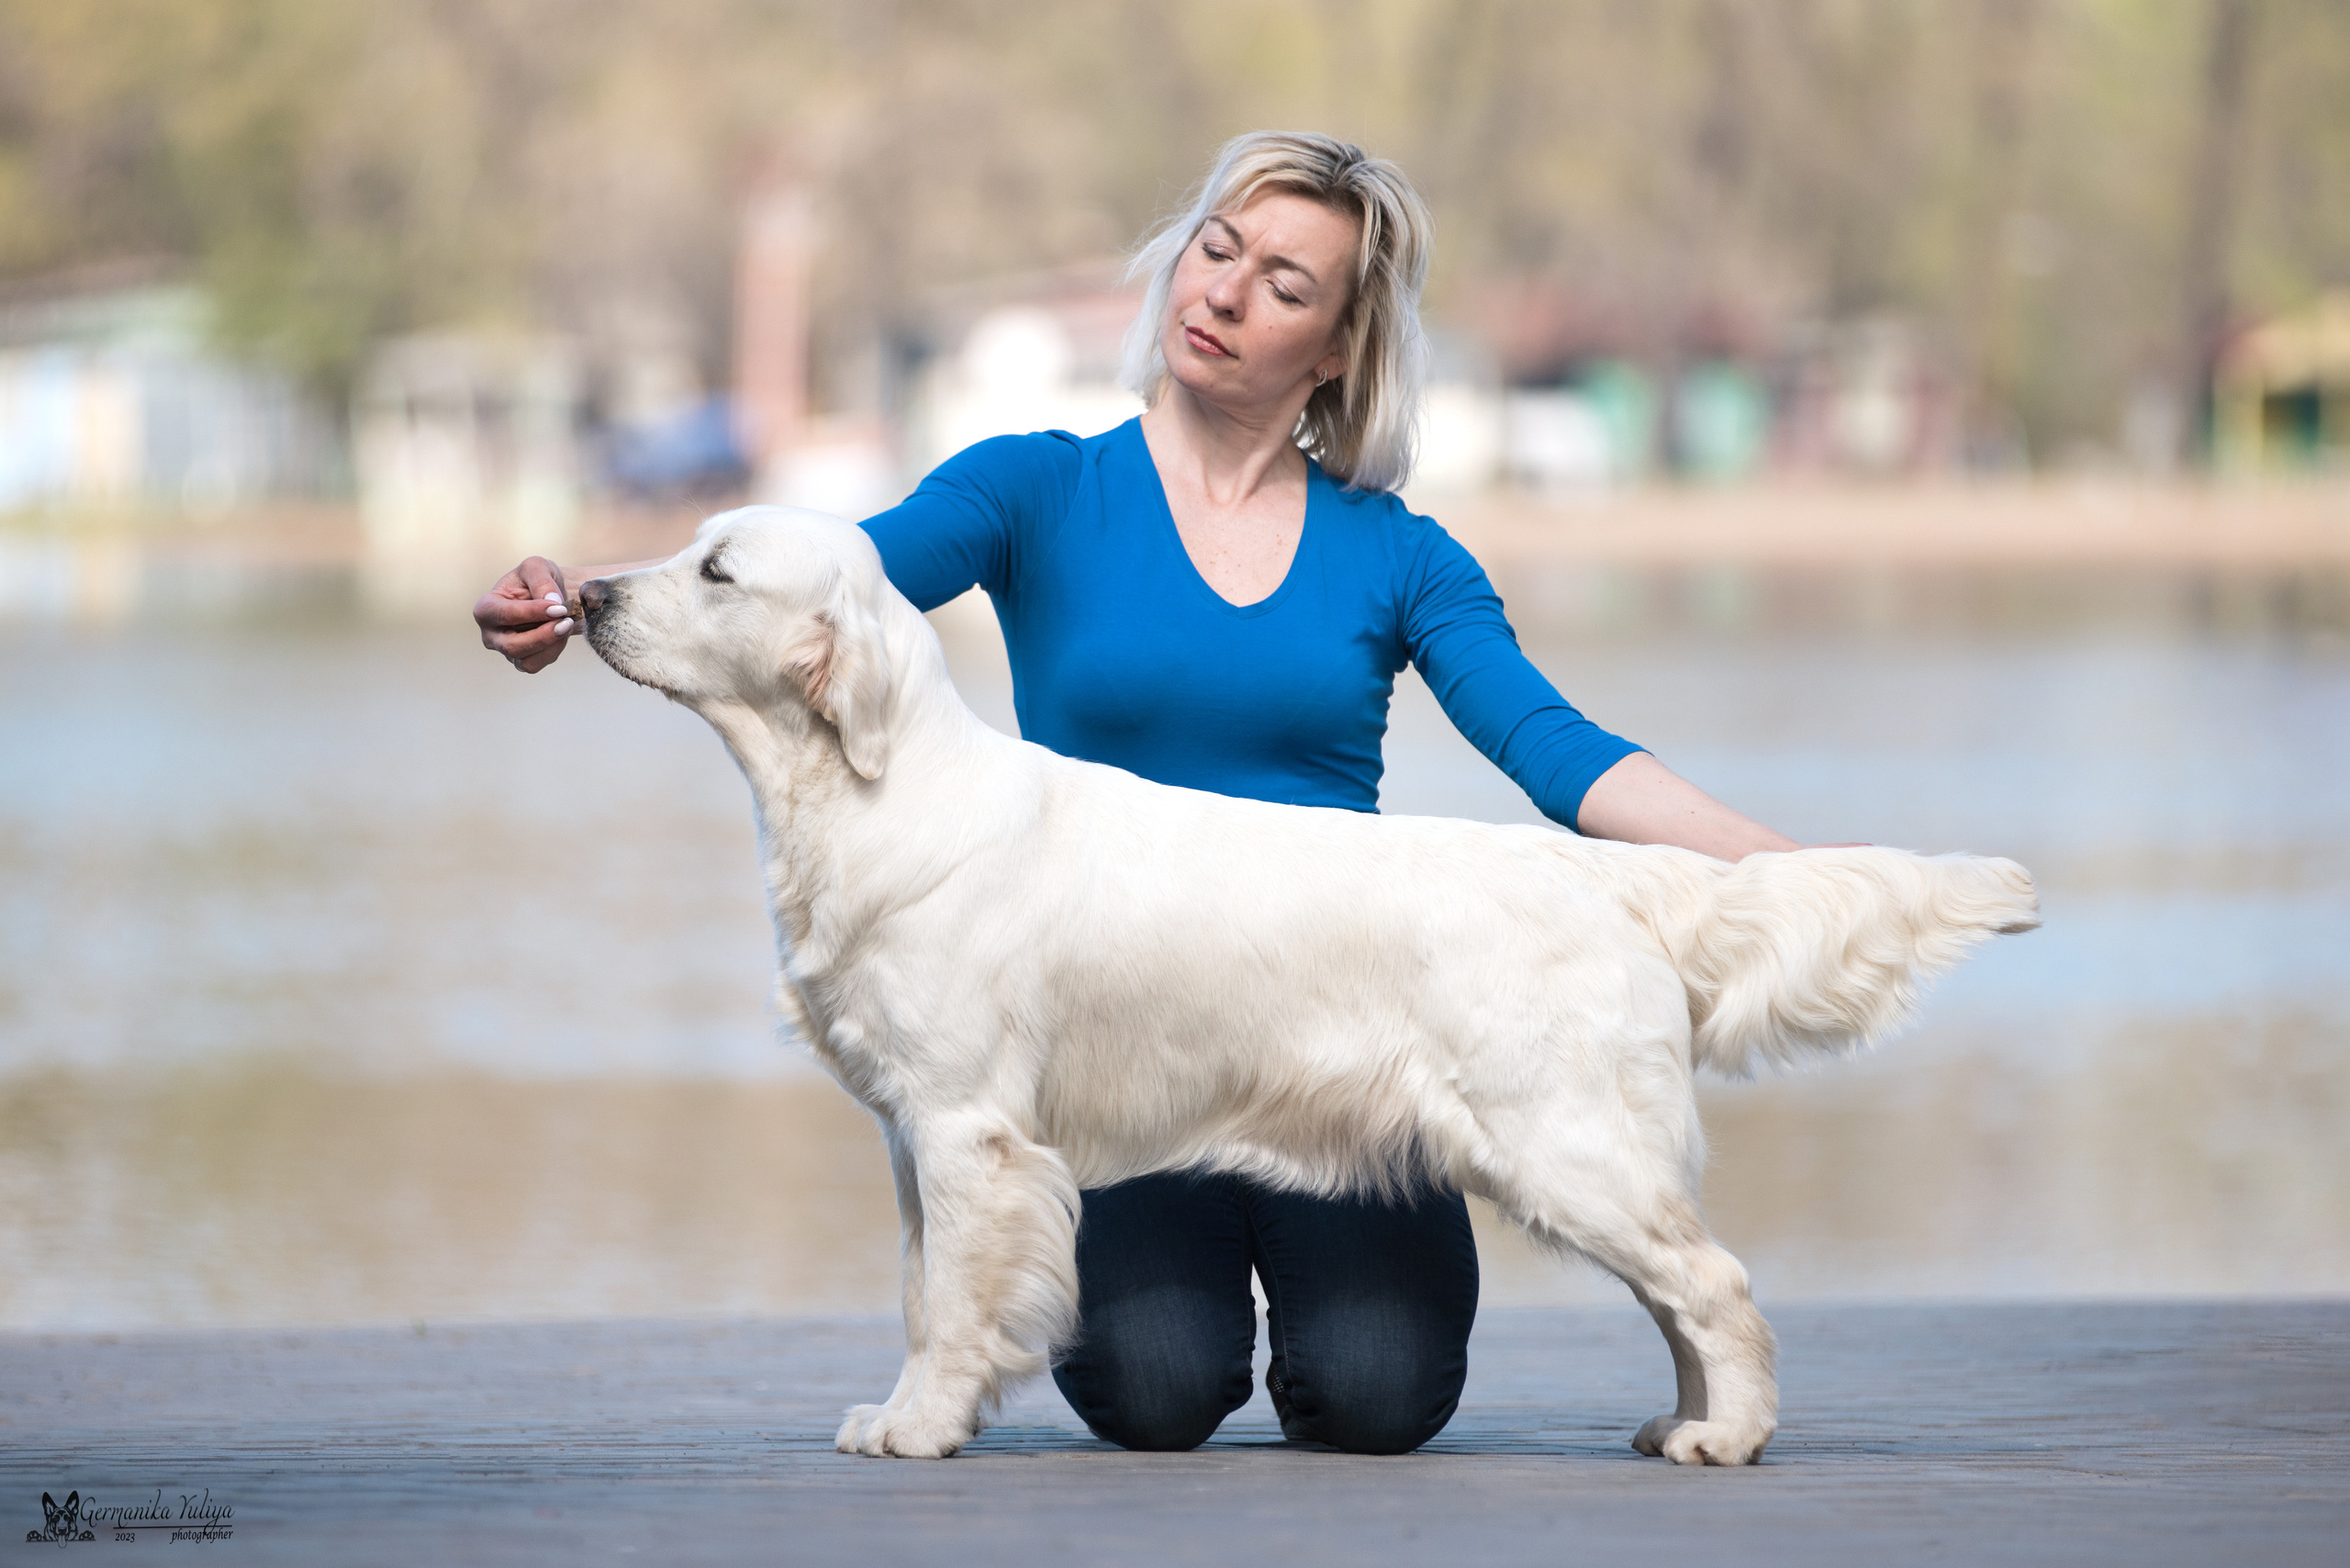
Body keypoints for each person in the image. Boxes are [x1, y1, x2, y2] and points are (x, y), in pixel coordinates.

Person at [476, 131, 1814, 1456]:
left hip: (1343, 1017)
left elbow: (1555, 748)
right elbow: (812, 585)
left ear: (1341, 349)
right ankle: (996, 1355)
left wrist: (1783, 873)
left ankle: (1707, 1347)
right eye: (1214, 251)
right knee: (1153, 1394)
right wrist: (587, 602)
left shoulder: (1399, 553)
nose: (1224, 295)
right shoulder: (1036, 487)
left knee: (1376, 1397)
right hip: (1117, 1041)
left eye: (1284, 285)